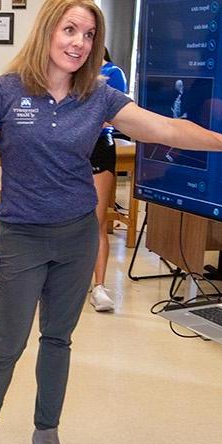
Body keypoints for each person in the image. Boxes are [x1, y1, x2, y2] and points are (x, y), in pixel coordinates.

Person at [0, 0, 222, 444]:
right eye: (70, 30)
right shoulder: (4, 92)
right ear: (48, 30)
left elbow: (167, 129)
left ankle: (45, 435)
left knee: (58, 339)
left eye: (89, 34)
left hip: (76, 235)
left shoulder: (98, 95)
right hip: (21, 236)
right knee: (7, 341)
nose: (78, 42)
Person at [87, 57, 128, 312]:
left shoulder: (112, 73)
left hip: (98, 146)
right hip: (66, 146)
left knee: (97, 220)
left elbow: (115, 117)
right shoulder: (62, 68)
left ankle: (99, 286)